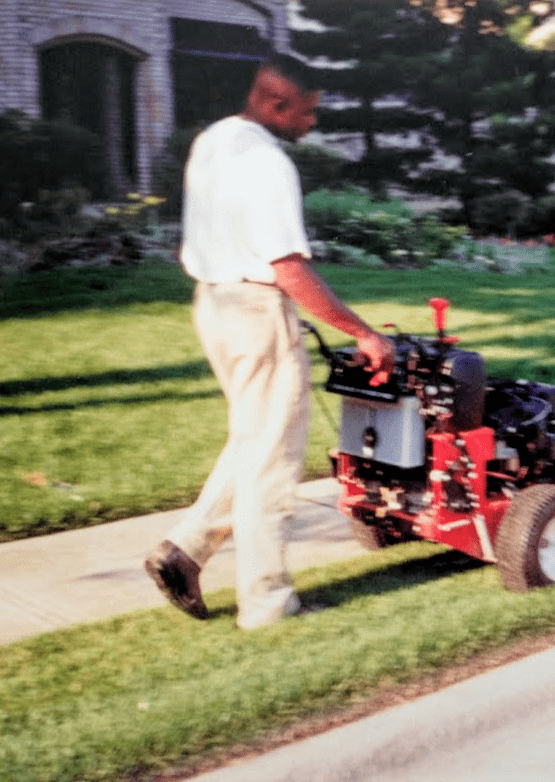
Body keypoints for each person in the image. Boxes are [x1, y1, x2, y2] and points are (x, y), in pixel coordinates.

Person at [145, 53, 394, 629]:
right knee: (272, 462)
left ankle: (183, 551)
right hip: (257, 313)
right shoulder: (267, 163)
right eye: (307, 112)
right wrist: (362, 333)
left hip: (214, 305)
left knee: (252, 440)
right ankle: (266, 603)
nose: (312, 124)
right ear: (275, 103)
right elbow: (290, 270)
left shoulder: (214, 140)